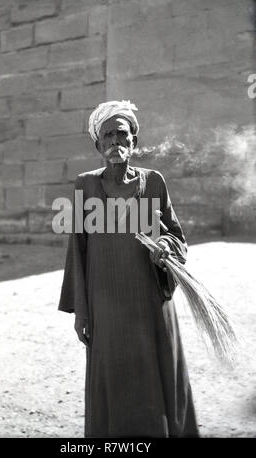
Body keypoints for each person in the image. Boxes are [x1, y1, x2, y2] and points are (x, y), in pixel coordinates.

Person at [58, 100, 199, 438]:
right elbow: (77, 250)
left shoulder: (154, 182)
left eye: (122, 134)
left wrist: (166, 247)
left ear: (134, 141)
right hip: (106, 304)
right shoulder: (85, 186)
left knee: (156, 377)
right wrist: (82, 312)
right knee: (115, 380)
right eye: (107, 136)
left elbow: (175, 237)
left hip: (151, 302)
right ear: (98, 145)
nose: (115, 142)